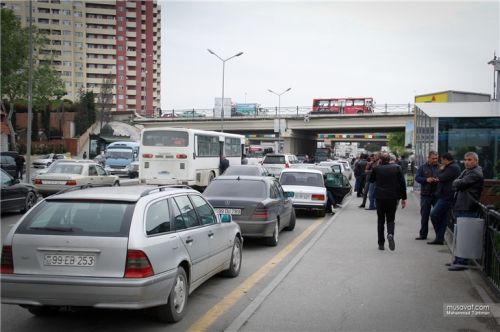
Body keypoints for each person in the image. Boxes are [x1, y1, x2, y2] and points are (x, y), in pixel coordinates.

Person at [447, 152, 484, 271]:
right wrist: (457, 183)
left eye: (469, 159)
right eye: (465, 159)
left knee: (465, 235)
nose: (466, 162)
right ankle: (458, 259)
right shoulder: (466, 171)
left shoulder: (476, 173)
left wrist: (457, 182)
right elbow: (456, 182)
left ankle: (462, 262)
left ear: (476, 161)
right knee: (460, 234)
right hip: (461, 205)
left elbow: (460, 183)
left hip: (468, 207)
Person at [369, 152, 407, 251]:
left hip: (380, 197)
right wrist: (404, 198)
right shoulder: (397, 168)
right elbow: (403, 183)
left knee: (380, 220)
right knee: (390, 219)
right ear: (390, 159)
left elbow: (371, 180)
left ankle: (381, 243)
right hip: (392, 197)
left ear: (380, 160)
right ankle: (390, 234)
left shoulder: (376, 168)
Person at [428, 153, 461, 245]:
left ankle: (439, 235)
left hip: (447, 196)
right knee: (443, 218)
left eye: (441, 160)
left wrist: (440, 170)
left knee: (434, 214)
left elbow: (441, 177)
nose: (441, 162)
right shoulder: (451, 167)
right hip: (444, 195)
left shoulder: (452, 167)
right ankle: (439, 238)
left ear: (446, 159)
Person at [414, 151, 439, 240]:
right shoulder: (422, 167)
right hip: (426, 195)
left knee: (437, 215)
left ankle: (439, 236)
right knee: (424, 215)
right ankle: (423, 234)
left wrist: (438, 180)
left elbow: (444, 177)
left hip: (437, 195)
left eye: (436, 158)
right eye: (433, 158)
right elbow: (417, 178)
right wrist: (426, 180)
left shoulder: (440, 167)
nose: (435, 160)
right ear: (428, 158)